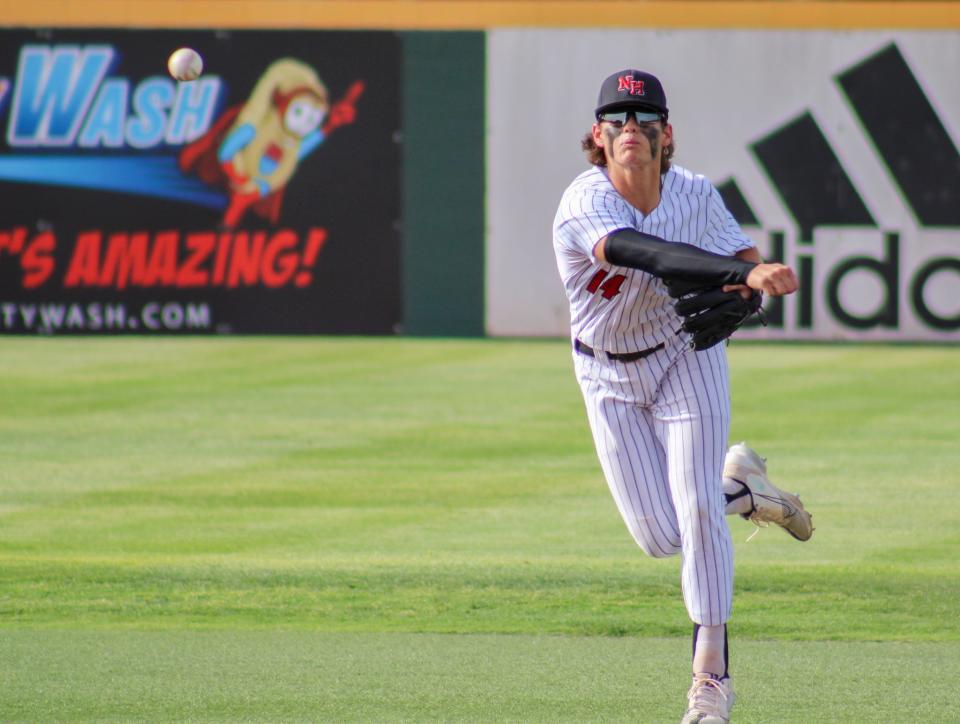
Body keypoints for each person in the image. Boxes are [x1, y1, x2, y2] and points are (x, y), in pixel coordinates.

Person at [552, 69, 814, 723]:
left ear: (667, 134)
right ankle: (749, 492)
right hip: (606, 375)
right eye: (617, 119)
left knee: (698, 513)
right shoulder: (583, 201)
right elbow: (652, 253)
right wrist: (742, 274)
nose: (630, 129)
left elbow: (745, 256)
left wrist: (748, 293)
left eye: (643, 119)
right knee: (661, 537)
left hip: (683, 360)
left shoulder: (694, 193)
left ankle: (711, 681)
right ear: (598, 136)